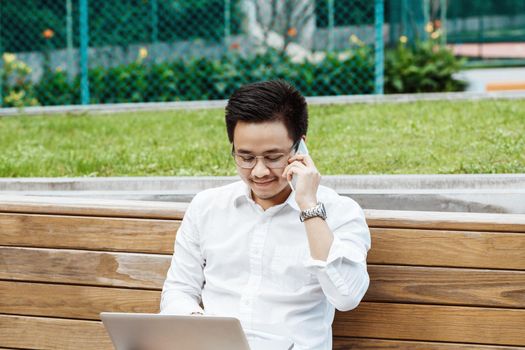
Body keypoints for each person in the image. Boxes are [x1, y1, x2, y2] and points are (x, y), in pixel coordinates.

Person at [160, 80, 370, 350]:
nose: (259, 172)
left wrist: (308, 206)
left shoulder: (340, 212)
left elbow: (347, 296)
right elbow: (178, 290)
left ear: (300, 148)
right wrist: (201, 328)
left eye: (273, 157)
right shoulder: (207, 207)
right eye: (245, 158)